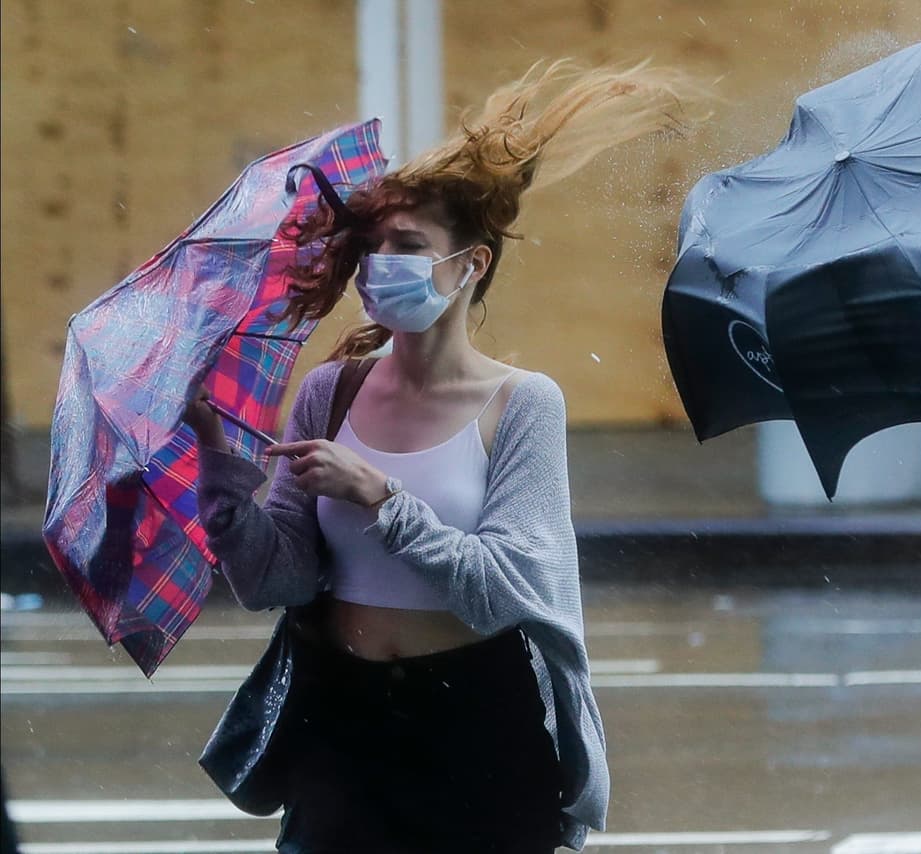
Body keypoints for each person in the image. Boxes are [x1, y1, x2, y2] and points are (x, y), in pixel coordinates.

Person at [185, 61, 696, 853]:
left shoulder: (522, 404)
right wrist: (218, 470)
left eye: (407, 244)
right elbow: (274, 583)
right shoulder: (331, 392)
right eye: (372, 244)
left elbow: (505, 591)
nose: (378, 261)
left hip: (478, 726)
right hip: (342, 722)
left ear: (471, 265)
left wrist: (383, 500)